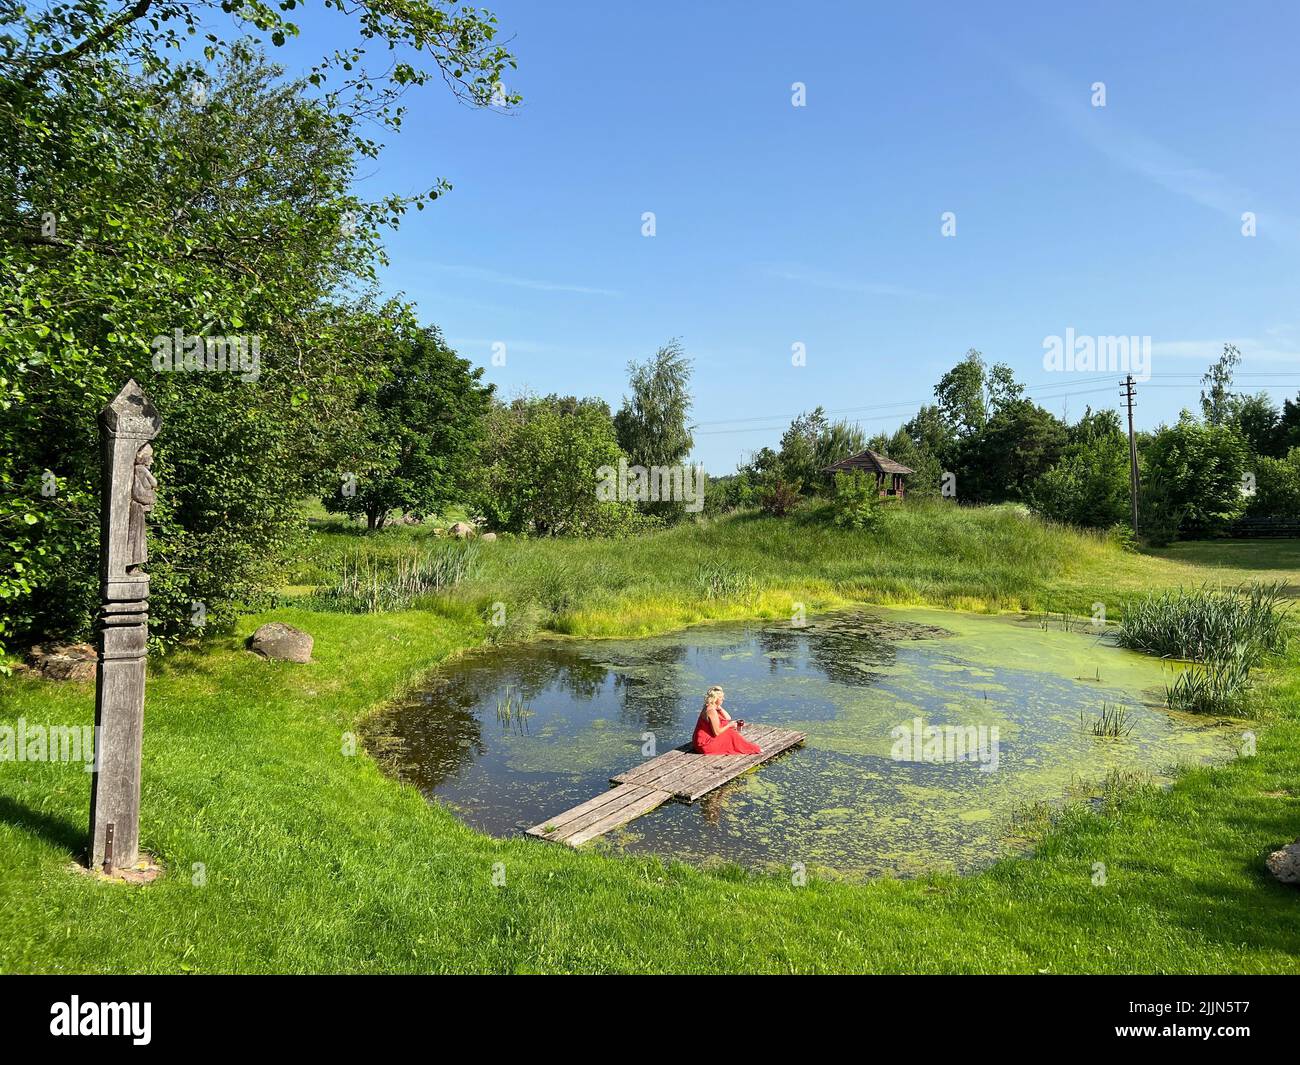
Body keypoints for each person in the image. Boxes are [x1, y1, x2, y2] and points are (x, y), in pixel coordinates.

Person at [692, 685, 762, 755]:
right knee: (731, 734)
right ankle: (750, 748)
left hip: (699, 742)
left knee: (728, 729)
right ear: (715, 699)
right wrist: (729, 725)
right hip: (704, 745)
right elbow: (716, 732)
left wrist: (719, 707)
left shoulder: (709, 706)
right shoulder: (711, 711)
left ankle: (747, 747)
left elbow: (728, 718)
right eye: (721, 698)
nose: (723, 699)